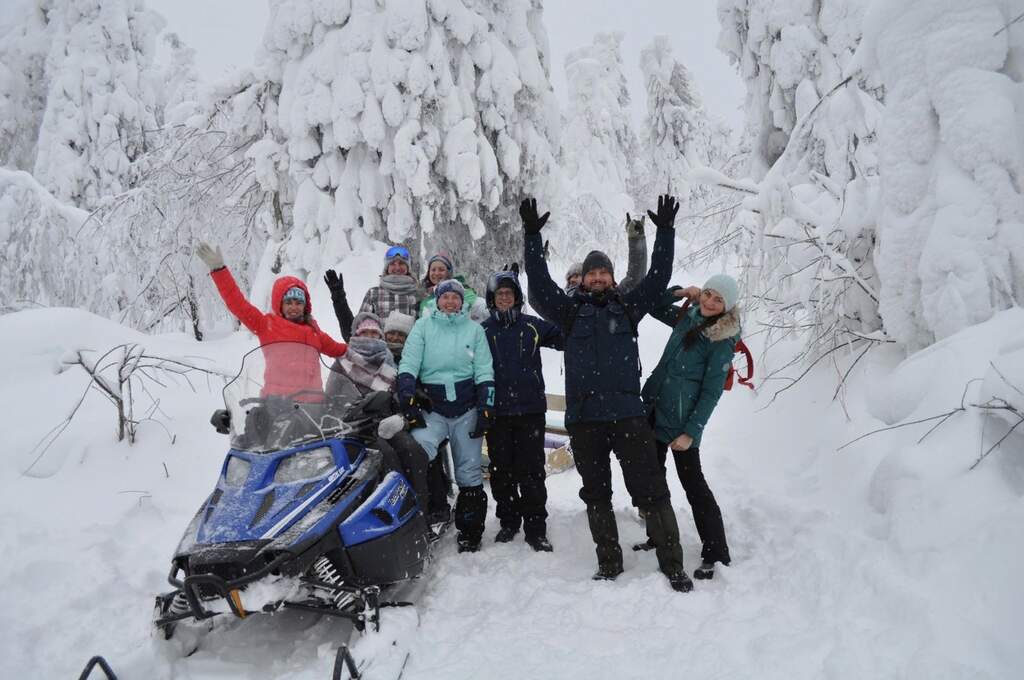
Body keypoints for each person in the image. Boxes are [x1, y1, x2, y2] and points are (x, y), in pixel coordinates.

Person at [521, 194, 695, 593]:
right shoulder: (568, 313)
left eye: (604, 273)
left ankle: (673, 565)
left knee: (650, 489)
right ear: (582, 279)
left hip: (627, 416)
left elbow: (657, 276)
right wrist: (532, 237)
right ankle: (609, 562)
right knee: (596, 493)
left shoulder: (628, 307)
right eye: (591, 274)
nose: (597, 278)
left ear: (613, 279)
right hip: (584, 422)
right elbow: (539, 287)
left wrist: (664, 232)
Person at [638, 275, 740, 580]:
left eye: (718, 299)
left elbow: (711, 392)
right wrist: (682, 292)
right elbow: (654, 306)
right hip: (655, 408)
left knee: (694, 487)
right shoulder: (688, 315)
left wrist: (690, 432)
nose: (709, 302)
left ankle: (716, 552)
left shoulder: (722, 338)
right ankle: (658, 536)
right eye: (708, 294)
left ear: (727, 306)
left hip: (682, 424)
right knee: (654, 482)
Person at [397, 278, 496, 553]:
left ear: (462, 302)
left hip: (466, 408)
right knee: (417, 455)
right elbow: (409, 363)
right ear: (437, 300)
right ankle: (424, 515)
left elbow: (484, 370)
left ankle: (470, 531)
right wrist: (407, 396)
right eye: (445, 297)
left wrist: (486, 406)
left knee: (469, 471)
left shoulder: (474, 330)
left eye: (455, 297)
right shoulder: (423, 327)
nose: (450, 302)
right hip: (434, 409)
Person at [196, 242, 346, 398]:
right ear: (279, 304)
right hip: (275, 406)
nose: (294, 307)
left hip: (314, 411)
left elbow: (341, 350)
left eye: (298, 302)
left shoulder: (315, 332)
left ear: (305, 305)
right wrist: (219, 271)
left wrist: (369, 348)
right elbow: (238, 304)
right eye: (288, 302)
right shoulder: (267, 325)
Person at [481, 270, 564, 552]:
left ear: (517, 297)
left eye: (509, 293)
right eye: (499, 294)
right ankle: (508, 521)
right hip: (498, 413)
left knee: (531, 471)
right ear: (492, 299)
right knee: (501, 470)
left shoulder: (531, 326)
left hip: (530, 410)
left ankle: (536, 527)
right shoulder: (482, 331)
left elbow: (565, 336)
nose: (505, 298)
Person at [324, 311, 430, 514]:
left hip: (384, 423)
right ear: (356, 334)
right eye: (365, 333)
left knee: (412, 451)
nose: (370, 338)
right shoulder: (342, 363)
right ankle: (388, 509)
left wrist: (400, 419)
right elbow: (329, 399)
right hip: (352, 426)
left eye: (374, 334)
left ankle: (418, 507)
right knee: (385, 456)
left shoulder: (388, 364)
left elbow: (399, 399)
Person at [419, 250, 488, 322]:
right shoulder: (425, 301)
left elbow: (481, 308)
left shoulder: (463, 292)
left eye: (441, 269)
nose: (436, 273)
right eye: (433, 270)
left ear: (449, 273)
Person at [358, 245, 422, 318]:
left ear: (408, 267)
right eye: (392, 264)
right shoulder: (373, 293)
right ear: (387, 268)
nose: (397, 268)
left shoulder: (418, 294)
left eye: (401, 263)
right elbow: (361, 324)